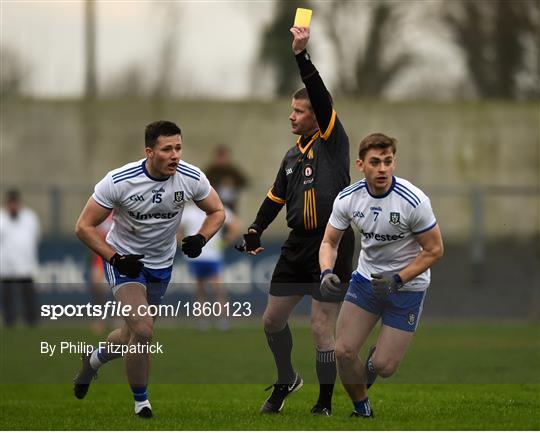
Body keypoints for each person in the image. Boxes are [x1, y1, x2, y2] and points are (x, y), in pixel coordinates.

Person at [72, 120, 225, 418]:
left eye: (178, 148)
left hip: (161, 265)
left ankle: (92, 362)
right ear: (149, 151)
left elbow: (217, 211)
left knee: (130, 334)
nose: (175, 155)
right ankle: (141, 404)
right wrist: (115, 258)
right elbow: (83, 227)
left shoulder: (191, 177)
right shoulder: (119, 181)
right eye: (167, 149)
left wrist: (201, 238)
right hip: (126, 264)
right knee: (143, 330)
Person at [239, 26, 354, 416]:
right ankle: (287, 377)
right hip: (297, 245)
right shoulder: (291, 156)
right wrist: (255, 228)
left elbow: (321, 97)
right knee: (271, 321)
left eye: (299, 111)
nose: (292, 115)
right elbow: (275, 197)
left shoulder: (333, 142)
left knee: (322, 328)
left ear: (317, 116)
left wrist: (302, 57)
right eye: (292, 110)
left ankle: (323, 403)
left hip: (332, 242)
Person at [319, 133, 444, 418]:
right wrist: (326, 271)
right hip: (367, 281)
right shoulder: (348, 198)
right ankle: (362, 409)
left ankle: (376, 362)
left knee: (385, 367)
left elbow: (435, 250)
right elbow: (329, 242)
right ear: (361, 165)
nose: (383, 169)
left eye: (388, 162)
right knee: (344, 351)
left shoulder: (413, 201)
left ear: (394, 163)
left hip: (407, 287)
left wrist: (397, 280)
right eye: (375, 162)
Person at [179, 202, 240, 330]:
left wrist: (225, 242)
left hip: (213, 256)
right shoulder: (188, 212)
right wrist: (182, 244)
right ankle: (202, 320)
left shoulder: (216, 208)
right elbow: (178, 229)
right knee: (199, 290)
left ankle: (223, 319)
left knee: (218, 289)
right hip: (195, 257)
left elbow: (234, 225)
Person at [0, 189, 41, 327]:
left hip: (25, 265)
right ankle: (9, 321)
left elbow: (36, 237)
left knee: (28, 295)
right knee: (7, 297)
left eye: (15, 203)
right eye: (10, 203)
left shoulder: (30, 217)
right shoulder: (1, 219)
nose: (13, 206)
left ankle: (31, 320)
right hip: (6, 266)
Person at [205, 144, 249, 212]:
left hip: (230, 205)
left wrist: (232, 183)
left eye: (224, 157)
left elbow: (244, 182)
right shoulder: (211, 171)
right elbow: (203, 184)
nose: (222, 160)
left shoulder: (232, 170)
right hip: (213, 204)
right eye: (220, 157)